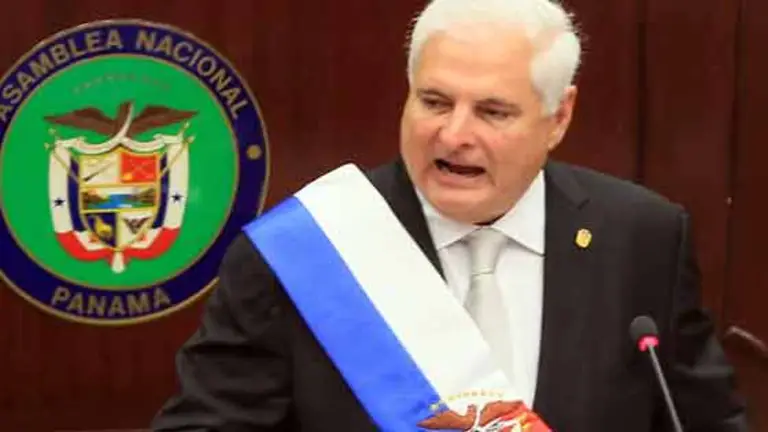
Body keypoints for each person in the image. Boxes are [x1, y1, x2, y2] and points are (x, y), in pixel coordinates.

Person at [151, 0, 749, 430]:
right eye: (434, 102)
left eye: (492, 112)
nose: (454, 134)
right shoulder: (308, 250)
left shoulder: (642, 239)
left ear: (559, 117)